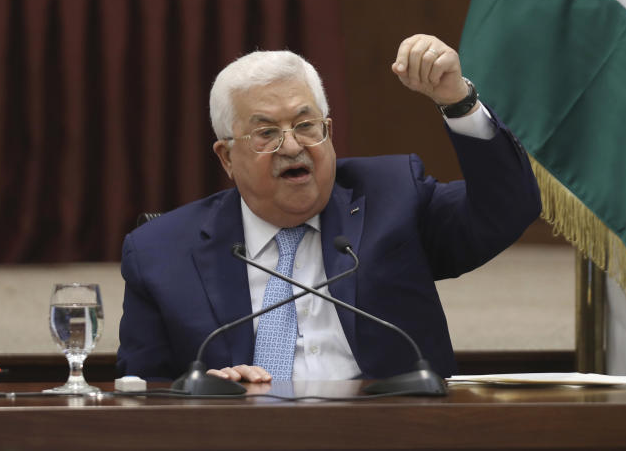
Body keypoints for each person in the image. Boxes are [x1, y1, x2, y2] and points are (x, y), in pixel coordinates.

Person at [116, 34, 541, 382]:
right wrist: (203, 393)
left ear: (329, 132)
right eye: (266, 133)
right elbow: (139, 392)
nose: (293, 146)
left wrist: (457, 101)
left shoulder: (394, 197)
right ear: (227, 157)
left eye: (306, 125)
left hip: (391, 435)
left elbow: (507, 209)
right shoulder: (159, 253)